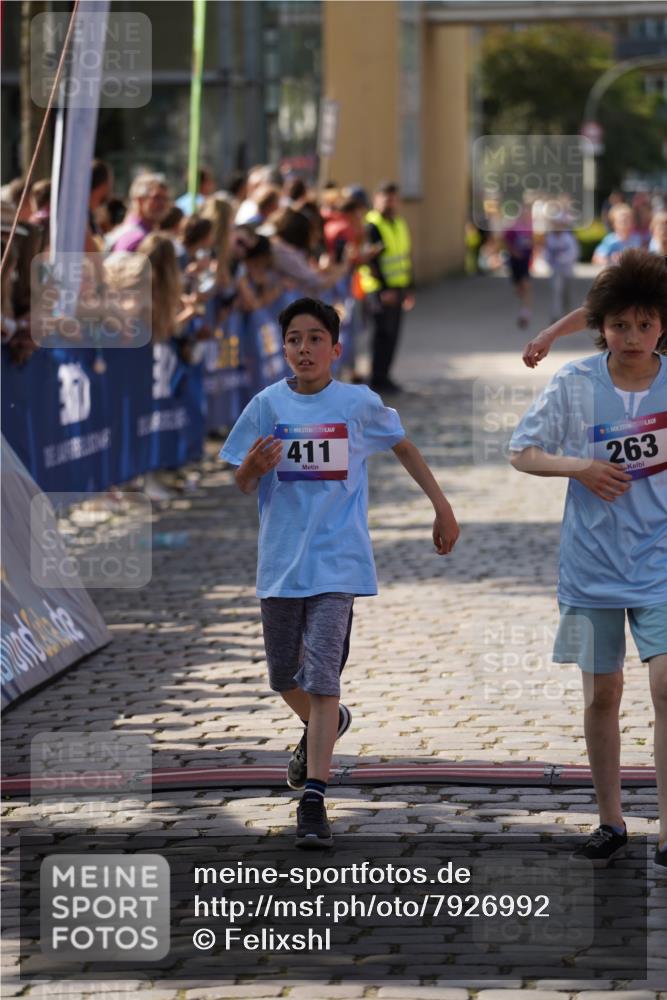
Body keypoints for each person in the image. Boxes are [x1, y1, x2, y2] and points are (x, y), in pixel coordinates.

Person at [219, 297, 460, 848]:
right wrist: (251, 471)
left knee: (322, 676)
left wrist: (442, 507)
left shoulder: (356, 403)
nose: (304, 349)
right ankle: (329, 723)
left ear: (335, 348)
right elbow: (241, 480)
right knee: (286, 678)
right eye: (294, 340)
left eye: (314, 339)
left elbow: (404, 447)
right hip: (281, 564)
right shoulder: (265, 405)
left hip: (338, 563)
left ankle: (314, 799)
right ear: (283, 349)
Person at [509, 249, 667, 869]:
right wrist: (581, 466)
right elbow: (523, 452)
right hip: (591, 567)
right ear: (602, 325)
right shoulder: (575, 384)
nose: (632, 337)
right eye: (620, 325)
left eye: (646, 324)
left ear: (663, 325)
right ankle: (611, 820)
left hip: (659, 561)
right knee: (604, 694)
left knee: (665, 685)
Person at [359, 182, 414, 393]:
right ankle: (377, 378)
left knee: (393, 335)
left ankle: (385, 376)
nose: (389, 203)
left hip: (398, 287)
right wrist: (383, 289)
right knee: (382, 333)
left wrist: (409, 287)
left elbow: (405, 257)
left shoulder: (399, 223)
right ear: (376, 199)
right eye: (385, 198)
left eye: (392, 198)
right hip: (379, 290)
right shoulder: (371, 225)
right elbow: (372, 261)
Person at [107, 172, 171, 253]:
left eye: (166, 199)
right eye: (157, 198)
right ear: (139, 200)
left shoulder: (145, 234)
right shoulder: (135, 238)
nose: (163, 204)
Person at [503, 201, 534, 329]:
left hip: (524, 262)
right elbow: (506, 241)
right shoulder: (513, 228)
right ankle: (523, 308)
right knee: (519, 288)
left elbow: (532, 245)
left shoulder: (530, 229)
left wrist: (532, 259)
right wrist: (514, 252)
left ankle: (525, 313)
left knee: (526, 286)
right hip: (515, 262)